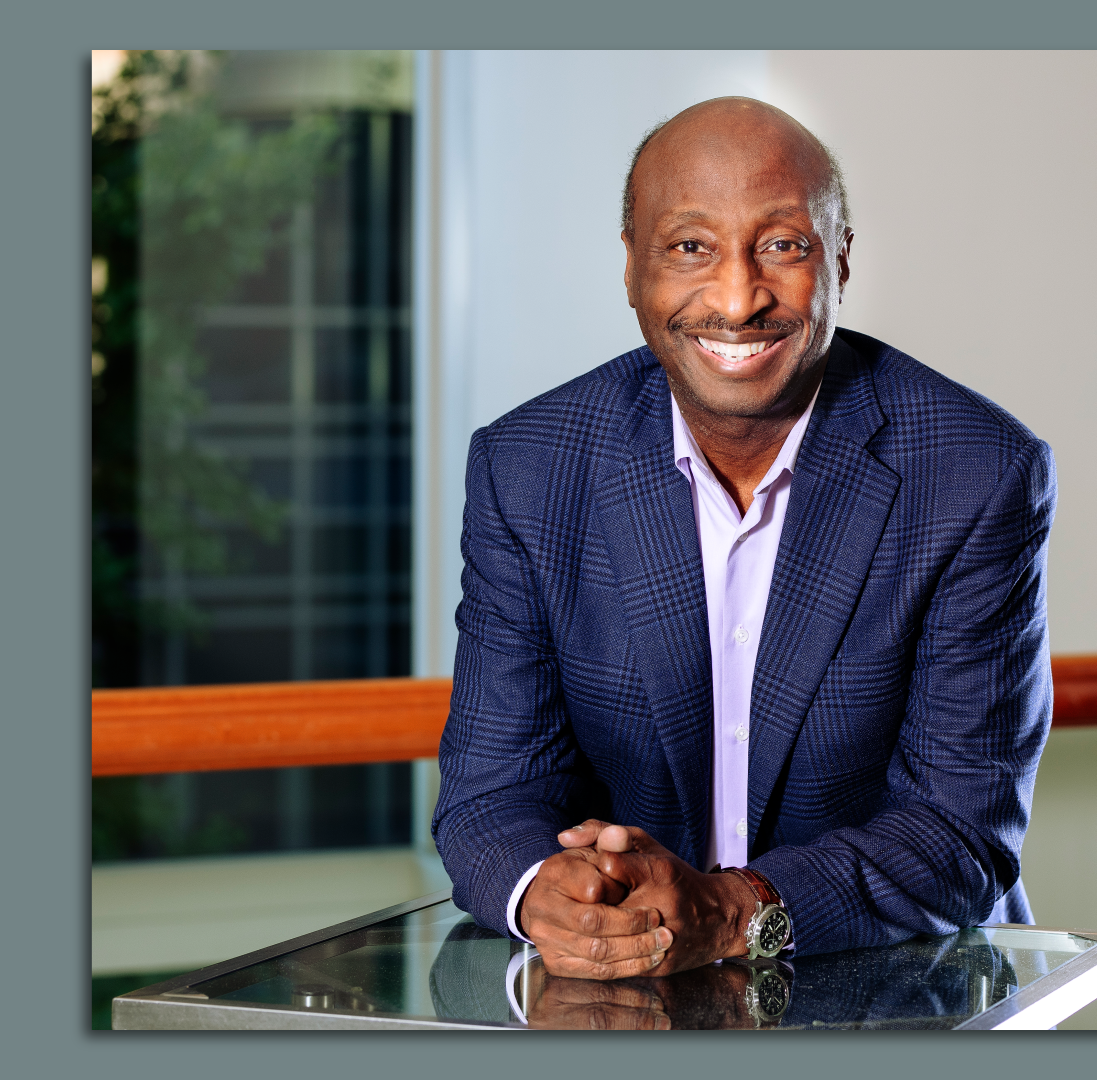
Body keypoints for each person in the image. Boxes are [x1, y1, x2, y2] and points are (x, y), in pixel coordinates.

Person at [432, 96, 1056, 982]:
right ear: (632, 267)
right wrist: (551, 893)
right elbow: (492, 796)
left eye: (784, 246)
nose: (736, 298)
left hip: (901, 994)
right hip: (625, 1005)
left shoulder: (975, 471)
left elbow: (959, 834)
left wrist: (727, 912)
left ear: (840, 258)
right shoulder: (529, 468)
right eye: (690, 247)